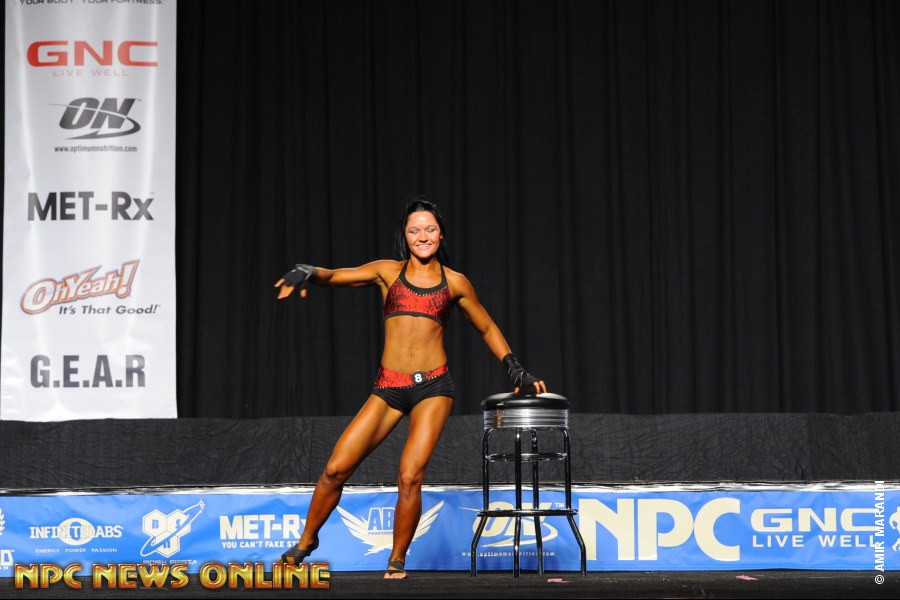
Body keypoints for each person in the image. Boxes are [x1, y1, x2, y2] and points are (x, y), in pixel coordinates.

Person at [273, 198, 546, 579]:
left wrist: (515, 369)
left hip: (433, 387)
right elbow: (336, 275)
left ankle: (396, 559)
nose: (423, 236)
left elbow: (486, 326)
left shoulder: (455, 282)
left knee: (410, 475)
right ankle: (307, 541)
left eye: (430, 229)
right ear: (405, 235)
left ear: (441, 235)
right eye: (415, 230)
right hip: (388, 386)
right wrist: (309, 272)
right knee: (335, 470)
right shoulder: (387, 272)